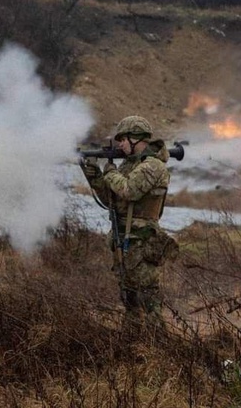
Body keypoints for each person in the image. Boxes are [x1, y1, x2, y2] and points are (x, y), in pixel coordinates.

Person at [79, 115, 176, 335]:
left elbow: (129, 190)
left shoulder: (153, 166)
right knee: (129, 299)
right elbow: (111, 201)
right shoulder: (128, 165)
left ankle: (159, 348)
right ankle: (132, 346)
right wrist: (95, 179)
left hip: (143, 242)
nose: (120, 144)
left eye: (123, 139)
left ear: (136, 138)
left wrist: (110, 172)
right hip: (124, 242)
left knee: (150, 301)